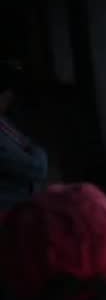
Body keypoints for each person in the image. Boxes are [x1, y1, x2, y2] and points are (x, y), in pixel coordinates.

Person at [0, 62, 47, 210]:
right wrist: (35, 150)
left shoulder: (3, 121)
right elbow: (37, 168)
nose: (9, 100)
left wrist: (31, 148)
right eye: (6, 96)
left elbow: (26, 141)